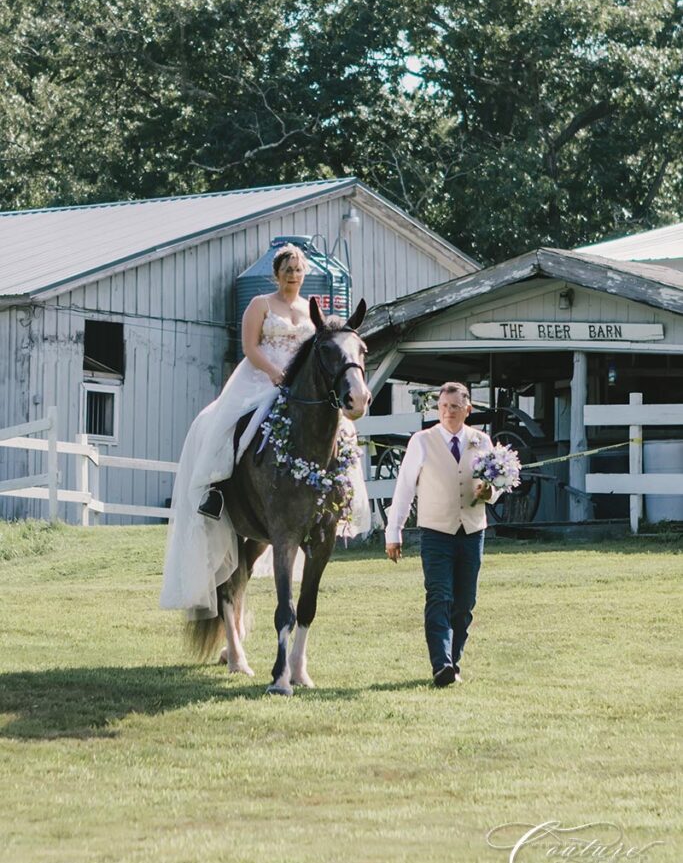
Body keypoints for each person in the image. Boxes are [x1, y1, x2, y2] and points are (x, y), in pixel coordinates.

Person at [160, 243, 370, 620]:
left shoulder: (311, 310)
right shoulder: (260, 304)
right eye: (288, 268)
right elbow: (249, 347)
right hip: (262, 378)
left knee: (342, 436)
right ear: (276, 274)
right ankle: (217, 489)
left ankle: (341, 497)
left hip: (306, 389)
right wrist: (276, 375)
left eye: (299, 268)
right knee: (234, 424)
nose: (293, 274)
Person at [384, 382, 501, 687]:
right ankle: (441, 665)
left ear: (468, 409)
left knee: (464, 602)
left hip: (473, 530)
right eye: (444, 407)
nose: (448, 412)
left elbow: (498, 483)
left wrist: (491, 491)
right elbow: (405, 488)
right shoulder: (422, 441)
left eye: (455, 406)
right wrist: (393, 531)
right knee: (439, 596)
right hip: (436, 530)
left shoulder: (481, 441)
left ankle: (455, 660)